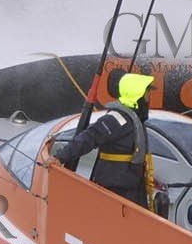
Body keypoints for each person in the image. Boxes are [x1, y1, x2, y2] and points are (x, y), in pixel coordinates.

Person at [58, 71, 156, 206]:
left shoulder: (134, 118)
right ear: (137, 94)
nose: (148, 97)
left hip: (132, 186)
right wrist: (60, 157)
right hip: (116, 189)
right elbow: (88, 138)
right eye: (147, 93)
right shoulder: (115, 120)